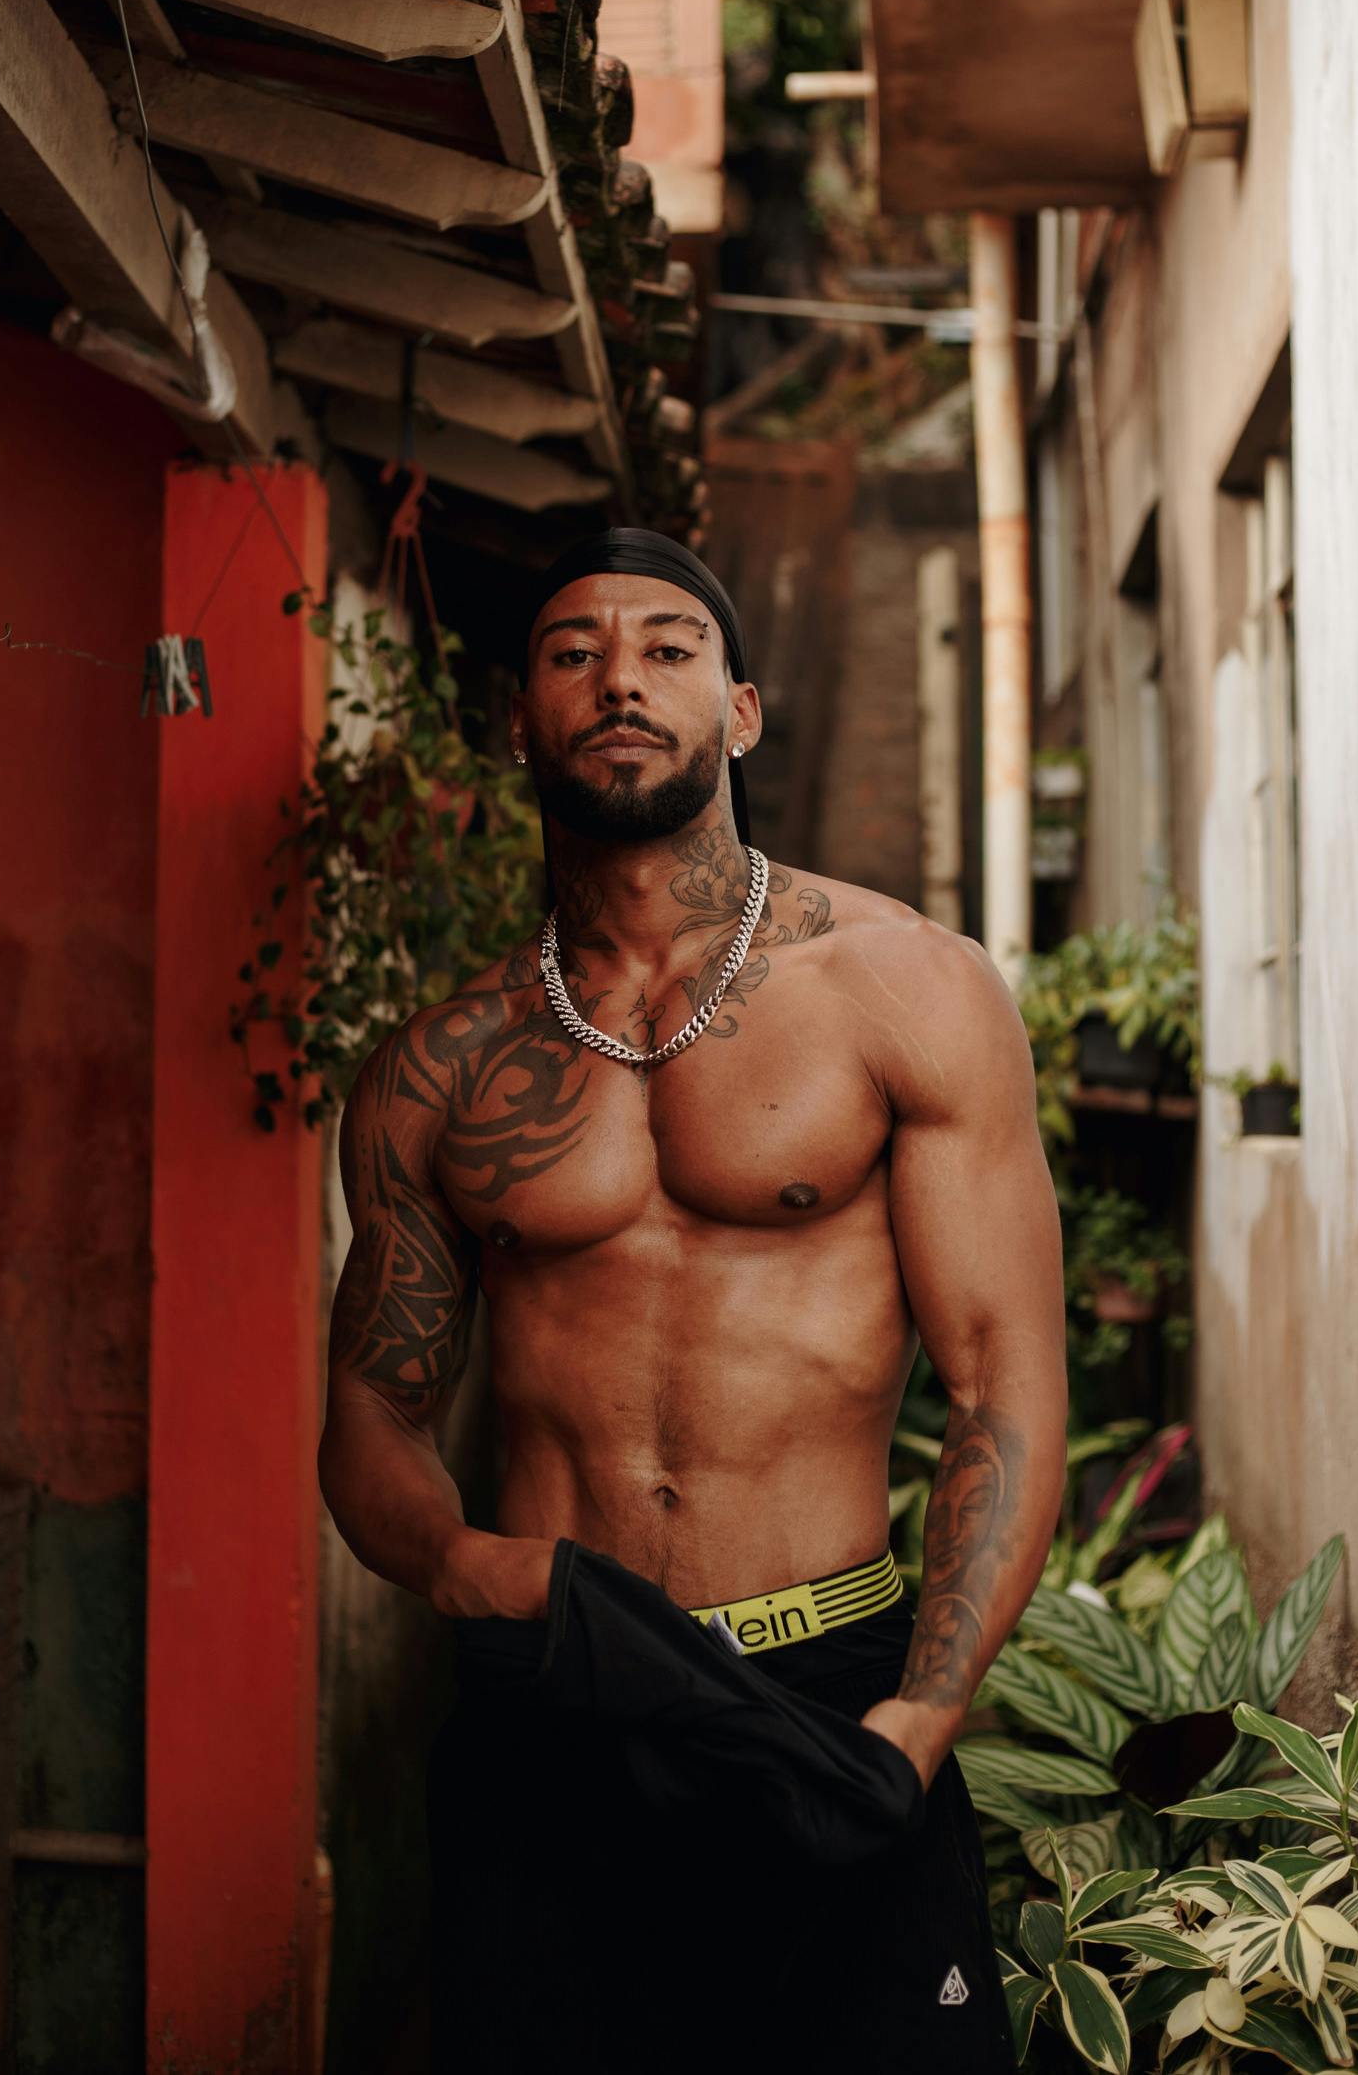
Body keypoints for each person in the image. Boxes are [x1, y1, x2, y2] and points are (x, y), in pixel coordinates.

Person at [319, 528, 1067, 2072]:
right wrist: (479, 1573)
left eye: (667, 648)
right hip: (553, 1706)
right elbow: (372, 1421)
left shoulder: (907, 990)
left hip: (834, 1691)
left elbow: (1004, 1381)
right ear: (520, 717)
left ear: (739, 710)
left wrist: (915, 1729)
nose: (620, 679)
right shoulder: (437, 1070)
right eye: (574, 652)